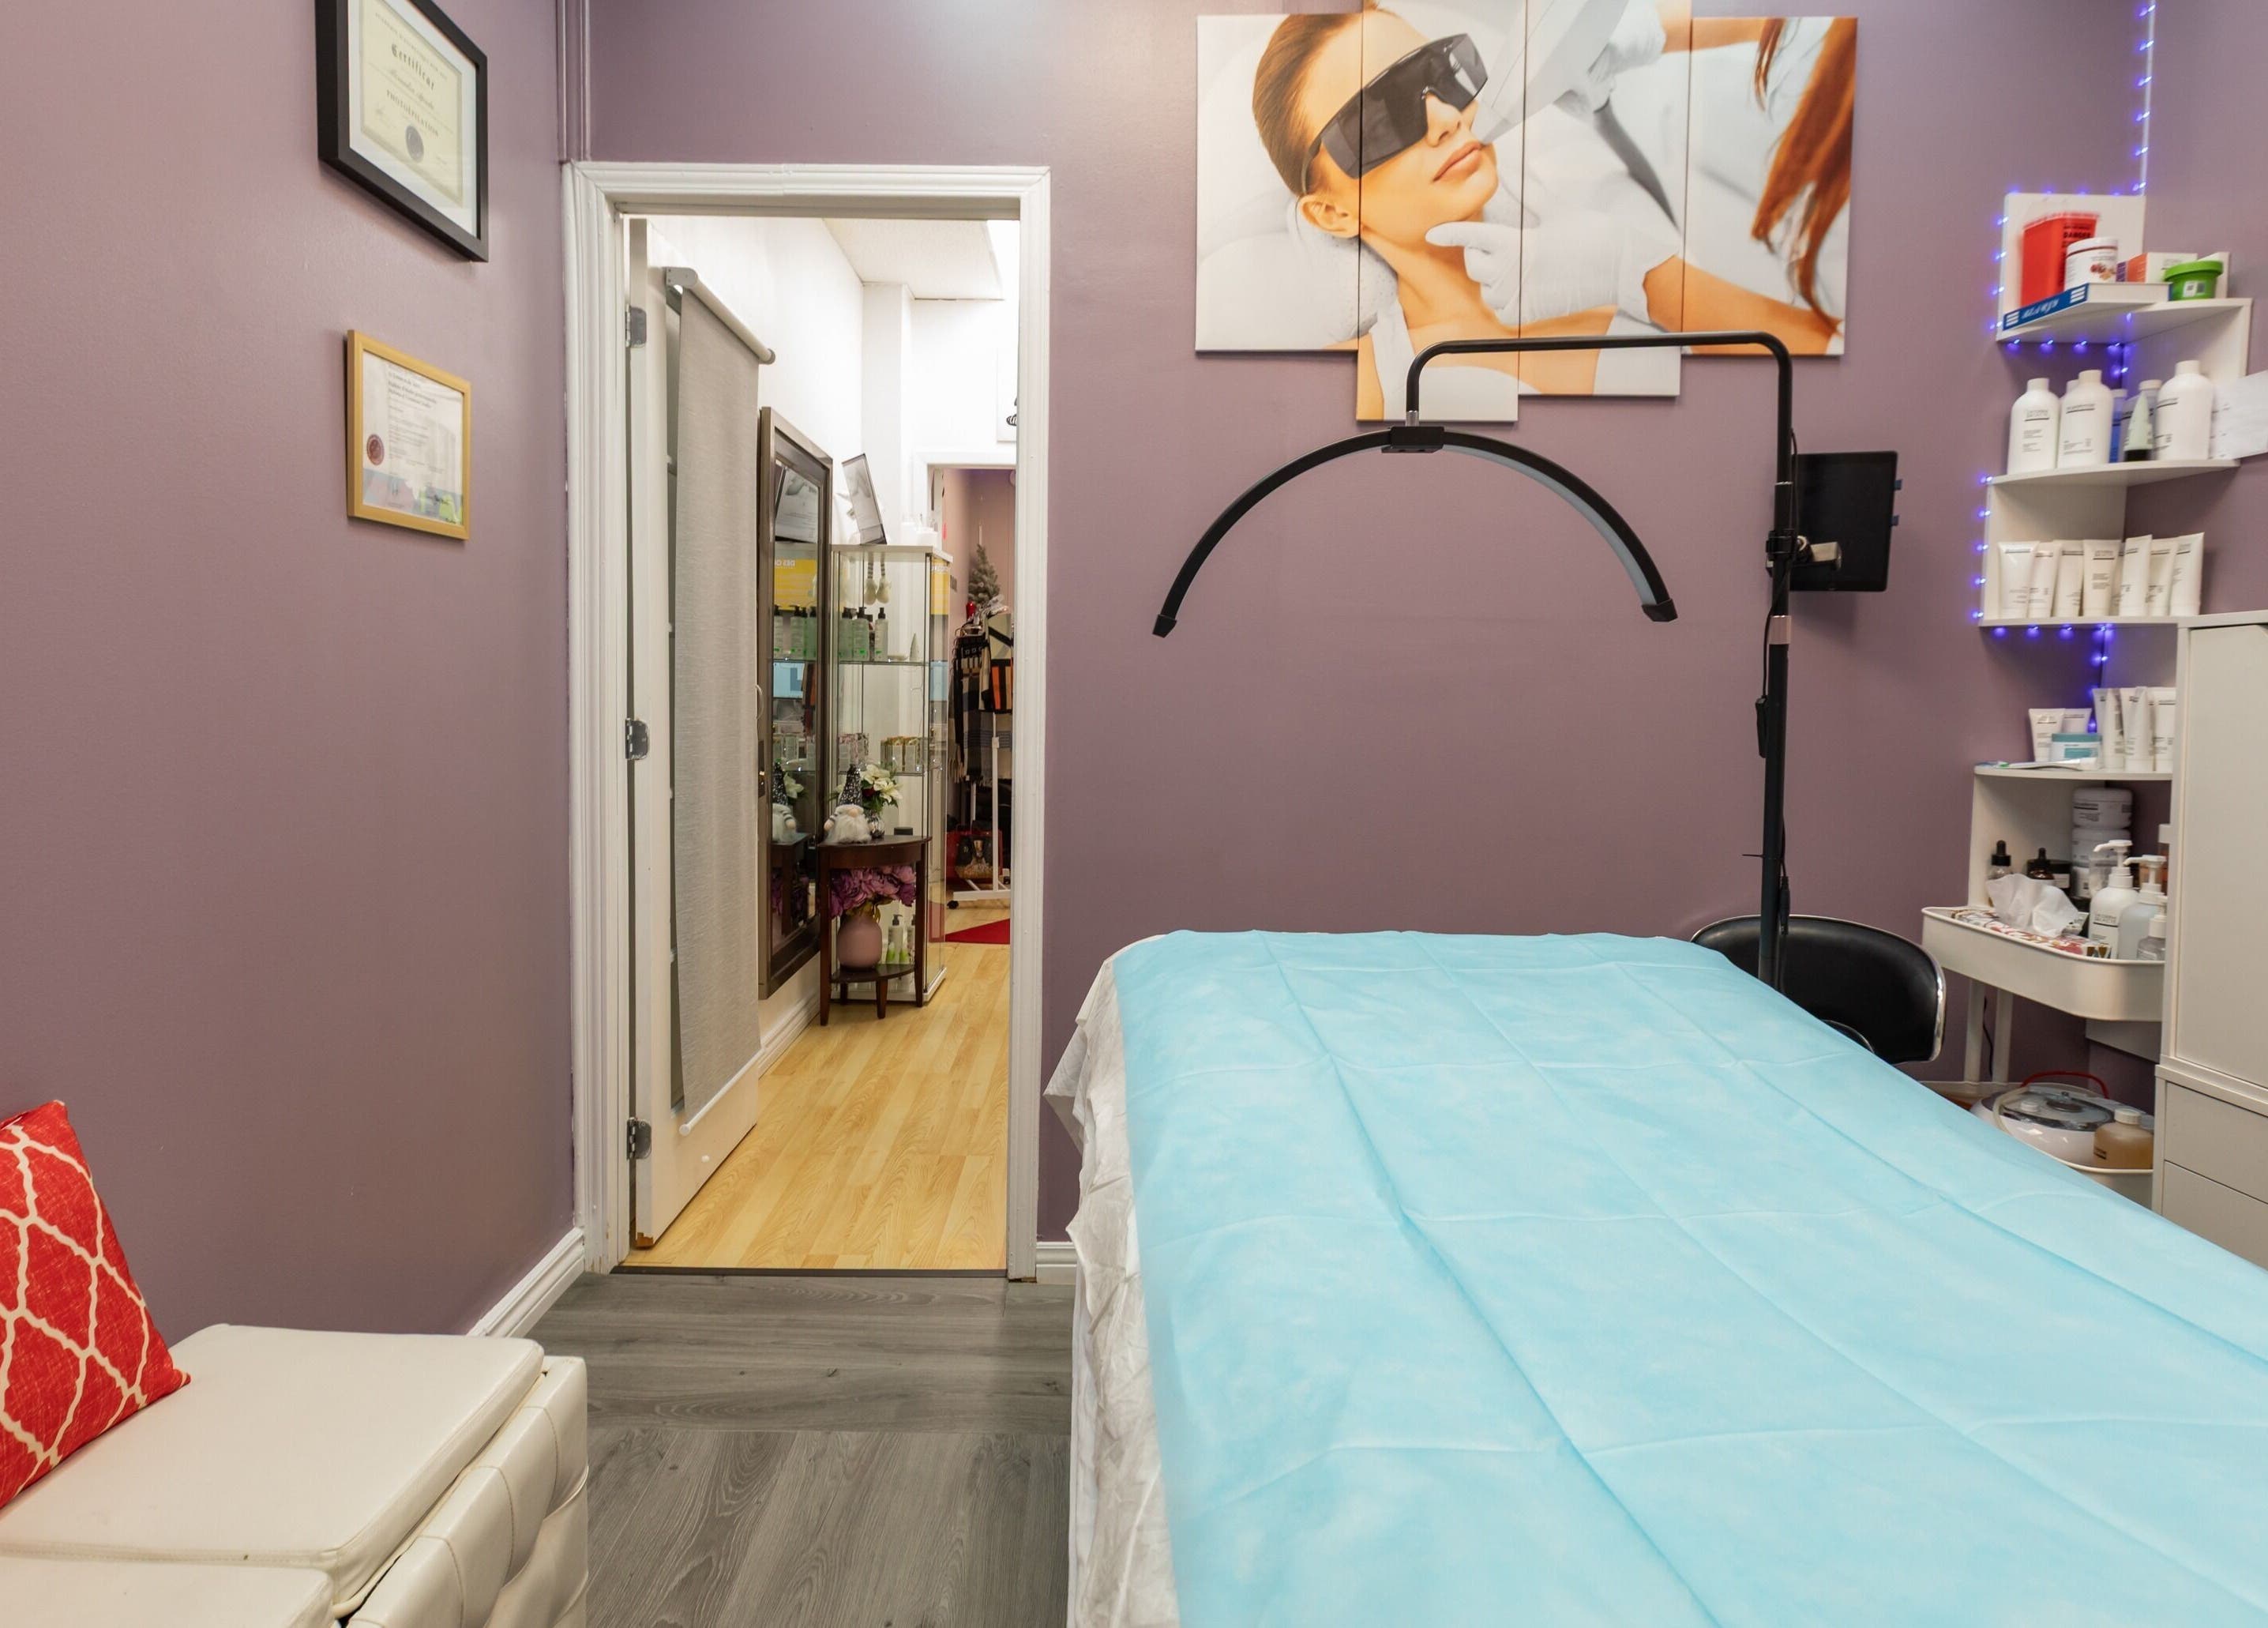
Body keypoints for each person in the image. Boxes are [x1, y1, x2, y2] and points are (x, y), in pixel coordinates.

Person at [1252, 5, 1842, 419]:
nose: (1447, 120)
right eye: (1379, 118)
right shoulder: (1342, 386)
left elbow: (1829, 369)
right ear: (1330, 214)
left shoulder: (1611, 272)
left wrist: (1632, 270)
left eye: (1439, 74)